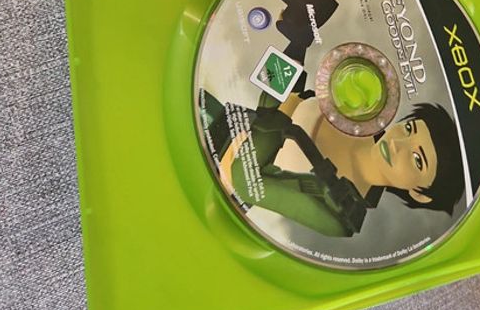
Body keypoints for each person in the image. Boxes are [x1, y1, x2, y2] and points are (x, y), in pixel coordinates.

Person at [199, 89, 466, 238]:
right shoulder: (358, 111)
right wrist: (296, 44)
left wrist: (285, 108)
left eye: (417, 159)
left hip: (206, 179)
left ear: (419, 194)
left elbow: (246, 182)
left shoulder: (340, 216)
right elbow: (274, 90)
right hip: (212, 109)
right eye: (408, 129)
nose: (398, 144)